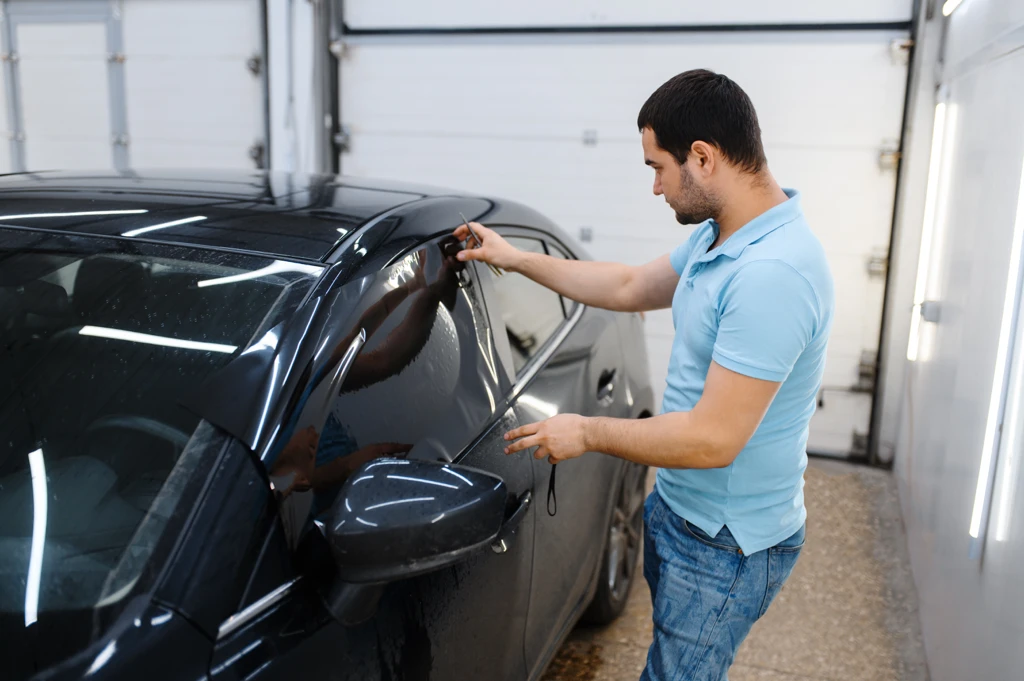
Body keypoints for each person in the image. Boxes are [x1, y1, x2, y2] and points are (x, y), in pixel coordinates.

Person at [453, 69, 835, 681]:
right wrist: (518, 259)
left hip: (725, 548)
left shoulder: (774, 274)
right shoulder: (724, 235)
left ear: (703, 158)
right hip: (682, 511)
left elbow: (714, 439)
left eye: (658, 167)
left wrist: (588, 433)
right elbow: (631, 285)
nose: (656, 188)